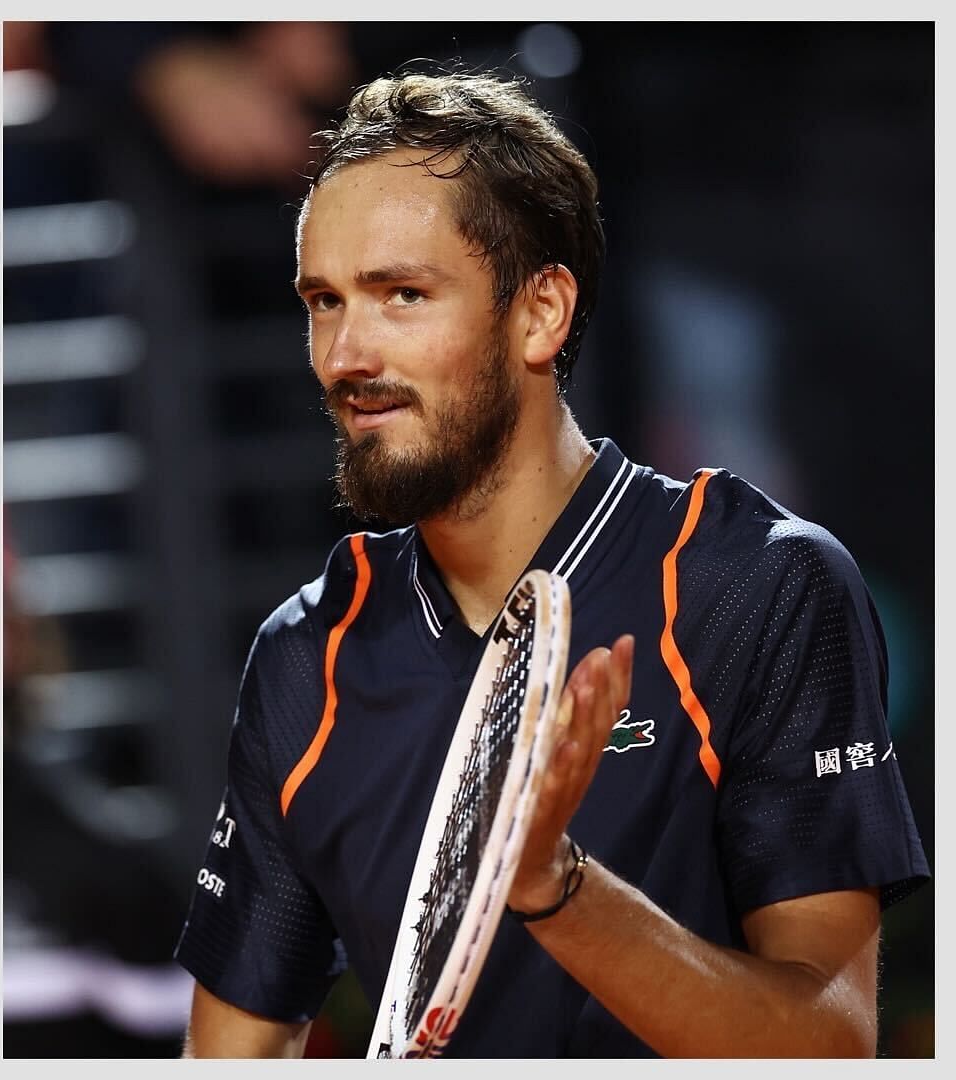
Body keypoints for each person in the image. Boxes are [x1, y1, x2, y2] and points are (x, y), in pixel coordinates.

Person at [174, 71, 927, 1058]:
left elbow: (830, 1048)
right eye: (324, 301)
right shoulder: (300, 659)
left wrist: (551, 887)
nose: (345, 353)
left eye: (402, 295)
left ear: (541, 313)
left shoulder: (758, 585)